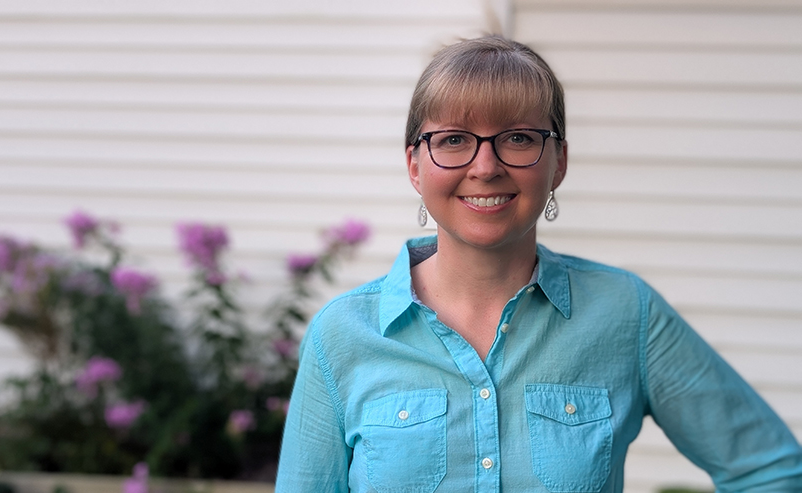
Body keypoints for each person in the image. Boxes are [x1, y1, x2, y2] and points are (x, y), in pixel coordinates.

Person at [275, 35, 802, 492]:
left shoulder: (626, 314)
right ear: (415, 165)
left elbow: (770, 471)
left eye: (519, 138)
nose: (486, 167)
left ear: (559, 162)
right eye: (454, 140)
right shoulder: (341, 335)